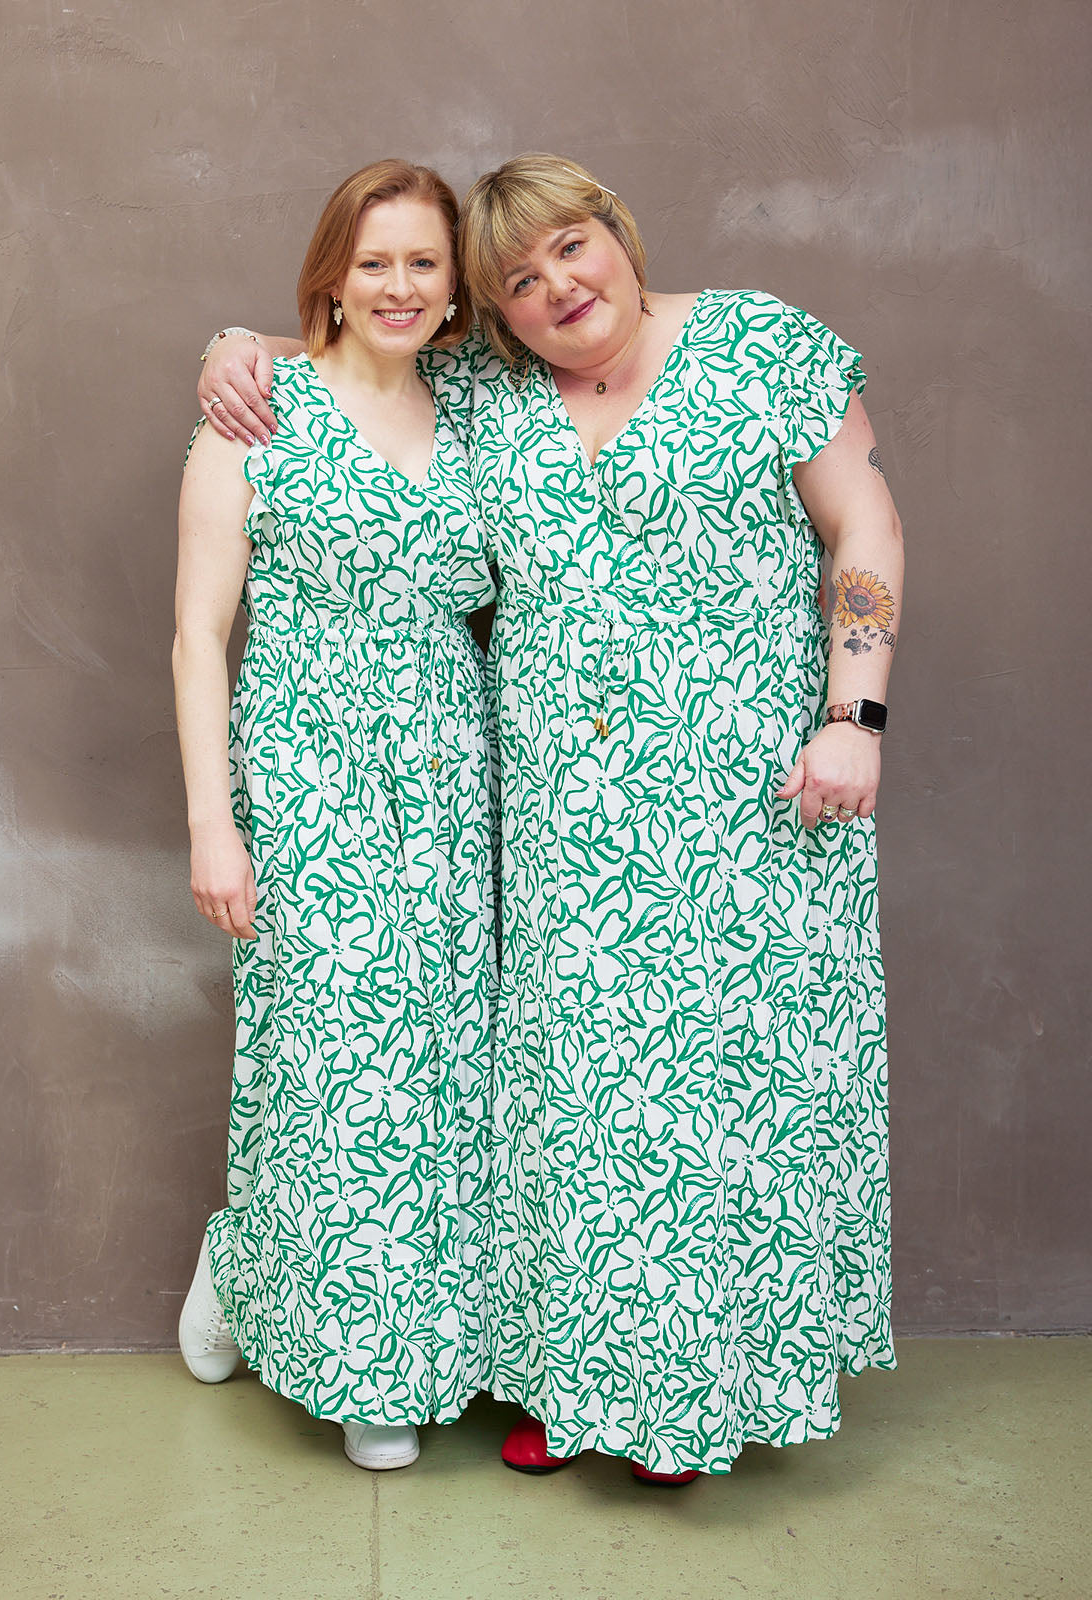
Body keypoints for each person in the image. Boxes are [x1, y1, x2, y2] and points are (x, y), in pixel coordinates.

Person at [196, 152, 904, 1485]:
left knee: (724, 1091)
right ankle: (582, 1375)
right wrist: (234, 345)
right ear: (496, 310)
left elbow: (864, 526)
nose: (555, 287)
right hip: (554, 812)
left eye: (572, 248)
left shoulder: (763, 345)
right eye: (516, 279)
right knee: (573, 1097)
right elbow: (346, 359)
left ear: (619, 234)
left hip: (752, 792)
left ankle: (690, 1396)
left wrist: (853, 716)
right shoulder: (488, 387)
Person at [173, 160, 497, 1473]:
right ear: (332, 273)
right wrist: (213, 821)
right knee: (343, 1071)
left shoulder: (485, 412)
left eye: (426, 263)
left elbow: (640, 309)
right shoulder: (258, 411)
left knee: (440, 1076)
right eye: (376, 263)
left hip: (460, 788)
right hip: (308, 783)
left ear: (457, 283)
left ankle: (273, 1277)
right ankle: (359, 1361)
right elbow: (199, 634)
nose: (401, 287)